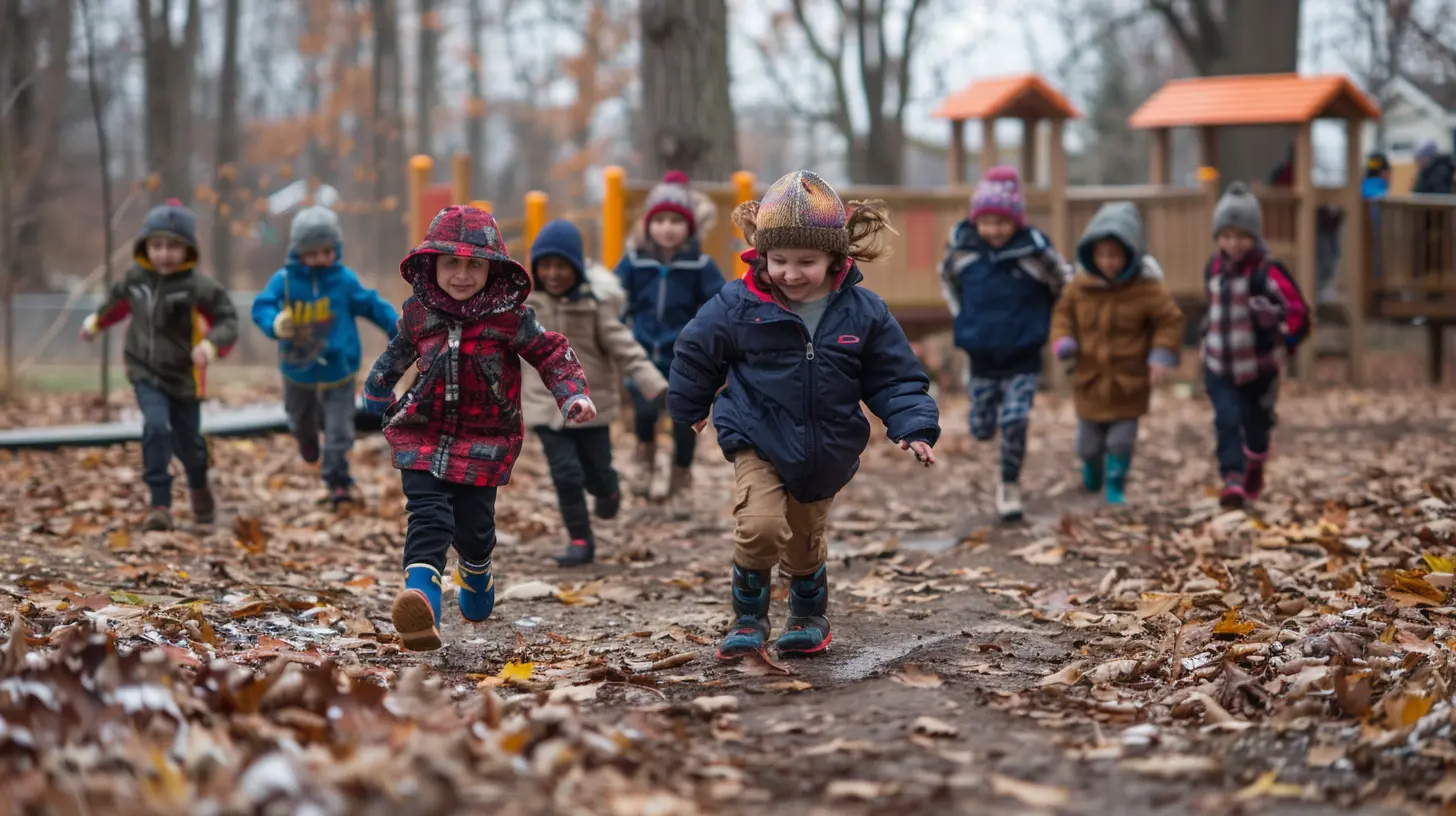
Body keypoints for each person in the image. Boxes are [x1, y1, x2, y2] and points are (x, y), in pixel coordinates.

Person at [670, 170, 941, 660]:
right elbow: (696, 351)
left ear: (836, 258)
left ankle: (808, 616)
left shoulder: (864, 312)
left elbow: (894, 377)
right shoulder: (738, 304)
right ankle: (748, 618)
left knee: (802, 544)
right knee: (760, 527)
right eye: (780, 261)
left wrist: (914, 424)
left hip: (826, 448)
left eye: (806, 262)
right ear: (762, 256)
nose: (791, 274)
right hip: (757, 432)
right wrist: (691, 405)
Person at [362, 205, 596, 652]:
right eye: (452, 263)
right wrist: (376, 391)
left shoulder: (510, 317)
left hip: (484, 440)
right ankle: (422, 603)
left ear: (493, 268)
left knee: (473, 527)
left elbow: (549, 353)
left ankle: (476, 568)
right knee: (428, 516)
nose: (462, 275)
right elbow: (395, 354)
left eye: (475, 265)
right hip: (423, 432)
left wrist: (572, 395)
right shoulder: (419, 312)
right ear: (433, 263)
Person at [79, 198, 239, 531]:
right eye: (157, 245)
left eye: (172, 247)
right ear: (145, 247)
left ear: (188, 250)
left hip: (184, 377)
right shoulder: (136, 279)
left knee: (190, 446)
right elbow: (116, 305)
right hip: (144, 370)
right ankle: (160, 505)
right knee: (155, 427)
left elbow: (228, 320)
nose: (164, 254)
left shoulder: (199, 286)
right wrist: (96, 323)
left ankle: (198, 485)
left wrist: (210, 346)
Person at [523, 219, 667, 567]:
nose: (554, 274)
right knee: (566, 473)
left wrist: (655, 385)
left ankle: (608, 490)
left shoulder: (594, 307)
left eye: (561, 266)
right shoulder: (526, 309)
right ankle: (580, 539)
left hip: (592, 405)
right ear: (536, 269)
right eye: (546, 266)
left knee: (597, 472)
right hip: (545, 406)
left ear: (576, 268)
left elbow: (625, 347)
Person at [939, 165, 1072, 522]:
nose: (994, 230)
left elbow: (1063, 279)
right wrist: (961, 314)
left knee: (1015, 420)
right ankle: (981, 415)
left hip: (1024, 352)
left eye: (1003, 222)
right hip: (981, 351)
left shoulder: (1034, 251)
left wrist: (1055, 316)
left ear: (1016, 221)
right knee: (982, 428)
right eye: (987, 222)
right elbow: (947, 279)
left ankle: (1009, 484)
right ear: (976, 221)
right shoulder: (963, 250)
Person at [251, 205, 398, 507]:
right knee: (300, 419)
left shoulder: (343, 281)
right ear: (298, 252)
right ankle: (307, 441)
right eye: (312, 253)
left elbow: (371, 304)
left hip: (338, 367)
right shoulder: (286, 281)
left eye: (326, 251)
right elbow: (262, 306)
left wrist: (399, 328)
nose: (320, 259)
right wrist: (275, 322)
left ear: (336, 248)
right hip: (298, 366)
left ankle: (338, 482)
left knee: (339, 431)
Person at [1050, 202, 1185, 505]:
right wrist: (1063, 340)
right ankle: (1092, 470)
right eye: (1102, 255)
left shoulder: (1147, 288)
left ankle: (1115, 484)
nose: (1109, 262)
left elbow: (1169, 320)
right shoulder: (1078, 287)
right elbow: (1062, 315)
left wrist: (1162, 353)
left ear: (1130, 254)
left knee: (1121, 440)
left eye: (1115, 255)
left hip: (1129, 382)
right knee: (1088, 444)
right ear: (1091, 254)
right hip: (1090, 380)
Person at [616, 171, 725, 510]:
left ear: (689, 227)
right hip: (644, 355)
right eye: (659, 220)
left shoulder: (700, 266)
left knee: (684, 422)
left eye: (676, 221)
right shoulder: (635, 263)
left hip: (686, 360)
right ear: (647, 225)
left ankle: (681, 479)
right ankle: (646, 463)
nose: (667, 228)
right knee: (646, 413)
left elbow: (717, 305)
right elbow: (614, 300)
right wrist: (613, 332)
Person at [1201, 183, 1310, 509]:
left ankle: (1255, 464)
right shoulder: (1214, 268)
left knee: (1255, 423)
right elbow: (1212, 306)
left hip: (1259, 366)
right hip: (1219, 362)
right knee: (1226, 418)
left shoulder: (1267, 270)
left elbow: (1298, 311)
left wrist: (1285, 340)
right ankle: (1232, 477)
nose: (1233, 244)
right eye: (1227, 235)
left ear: (1254, 237)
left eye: (1242, 236)